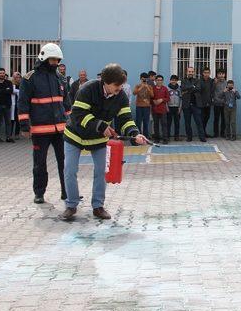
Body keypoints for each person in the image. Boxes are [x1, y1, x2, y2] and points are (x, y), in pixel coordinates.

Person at [60, 63, 147, 221]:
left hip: (98, 139)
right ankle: (71, 205)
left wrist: (135, 134)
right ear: (105, 82)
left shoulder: (120, 96)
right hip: (74, 135)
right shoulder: (87, 89)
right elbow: (79, 114)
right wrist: (100, 126)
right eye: (116, 85)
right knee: (70, 170)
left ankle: (98, 207)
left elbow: (125, 118)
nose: (120, 88)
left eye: (121, 85)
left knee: (101, 171)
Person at [18, 43, 70, 204]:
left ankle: (66, 192)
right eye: (52, 59)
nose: (55, 63)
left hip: (61, 130)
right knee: (39, 164)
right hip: (40, 131)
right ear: (43, 58)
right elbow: (23, 103)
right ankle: (39, 193)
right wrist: (25, 126)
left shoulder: (60, 78)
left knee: (66, 163)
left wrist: (71, 123)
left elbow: (66, 103)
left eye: (57, 60)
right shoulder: (30, 78)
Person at [180, 67, 206, 142]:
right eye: (189, 71)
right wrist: (192, 87)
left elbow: (198, 89)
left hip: (196, 105)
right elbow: (183, 88)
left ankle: (202, 137)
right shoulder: (183, 80)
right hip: (186, 105)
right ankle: (189, 137)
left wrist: (188, 89)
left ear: (194, 72)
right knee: (187, 122)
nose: (190, 73)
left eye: (192, 71)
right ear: (186, 72)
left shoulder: (197, 80)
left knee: (199, 122)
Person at [0, 68, 14, 143]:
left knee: (8, 122)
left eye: (3, 73)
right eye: (0, 73)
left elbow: (10, 91)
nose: (2, 74)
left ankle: (8, 137)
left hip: (7, 105)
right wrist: (5, 90)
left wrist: (0, 91)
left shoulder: (9, 82)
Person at [133, 72, 153, 138]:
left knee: (146, 122)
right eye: (142, 79)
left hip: (147, 106)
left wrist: (147, 87)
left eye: (145, 79)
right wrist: (141, 87)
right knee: (138, 122)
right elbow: (134, 93)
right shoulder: (137, 85)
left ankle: (146, 136)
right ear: (140, 79)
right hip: (139, 106)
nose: (144, 80)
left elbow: (152, 95)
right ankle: (138, 136)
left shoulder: (149, 86)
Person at [151, 75, 170, 144]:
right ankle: (157, 139)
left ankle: (165, 139)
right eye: (158, 80)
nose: (159, 81)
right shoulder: (152, 88)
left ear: (162, 81)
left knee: (164, 124)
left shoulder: (165, 88)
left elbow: (168, 98)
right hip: (155, 110)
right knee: (156, 125)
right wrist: (153, 101)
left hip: (163, 110)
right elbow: (150, 97)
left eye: (161, 80)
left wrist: (162, 99)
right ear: (155, 81)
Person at [198, 68, 214, 136]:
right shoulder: (199, 81)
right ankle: (201, 134)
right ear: (203, 73)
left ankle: (204, 132)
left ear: (209, 73)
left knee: (207, 118)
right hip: (201, 103)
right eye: (205, 72)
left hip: (208, 103)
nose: (206, 74)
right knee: (201, 119)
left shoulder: (211, 81)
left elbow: (212, 90)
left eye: (208, 72)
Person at [212, 69, 227, 138]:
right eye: (219, 74)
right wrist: (214, 83)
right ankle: (216, 133)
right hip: (216, 103)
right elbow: (211, 91)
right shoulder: (215, 82)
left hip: (224, 104)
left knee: (224, 119)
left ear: (224, 75)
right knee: (216, 119)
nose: (221, 75)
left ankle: (222, 133)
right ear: (217, 75)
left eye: (222, 74)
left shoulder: (226, 83)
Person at [167, 75, 182, 141]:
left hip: (177, 108)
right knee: (168, 123)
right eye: (172, 80)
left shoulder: (179, 88)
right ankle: (167, 136)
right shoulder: (167, 88)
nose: (174, 81)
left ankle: (176, 136)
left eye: (175, 80)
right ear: (170, 80)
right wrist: (166, 107)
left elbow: (181, 98)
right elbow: (165, 99)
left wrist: (180, 108)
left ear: (177, 81)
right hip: (169, 107)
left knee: (177, 123)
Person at [10, 72, 22, 139]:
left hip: (19, 104)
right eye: (16, 77)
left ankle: (17, 134)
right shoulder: (11, 84)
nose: (17, 79)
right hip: (13, 104)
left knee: (18, 120)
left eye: (19, 77)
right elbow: (12, 91)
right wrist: (18, 91)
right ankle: (10, 134)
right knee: (12, 120)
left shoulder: (22, 84)